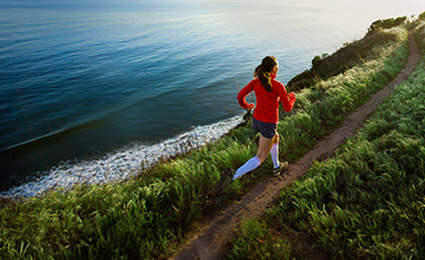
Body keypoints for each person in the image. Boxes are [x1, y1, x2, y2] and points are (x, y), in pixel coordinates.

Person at [233, 56, 296, 180]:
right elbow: (288, 108)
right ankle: (233, 176)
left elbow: (240, 96)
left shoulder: (255, 82)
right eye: (277, 68)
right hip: (268, 123)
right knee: (260, 156)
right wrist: (292, 98)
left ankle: (276, 166)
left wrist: (246, 106)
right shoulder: (278, 86)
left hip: (256, 120)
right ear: (273, 70)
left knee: (275, 137)